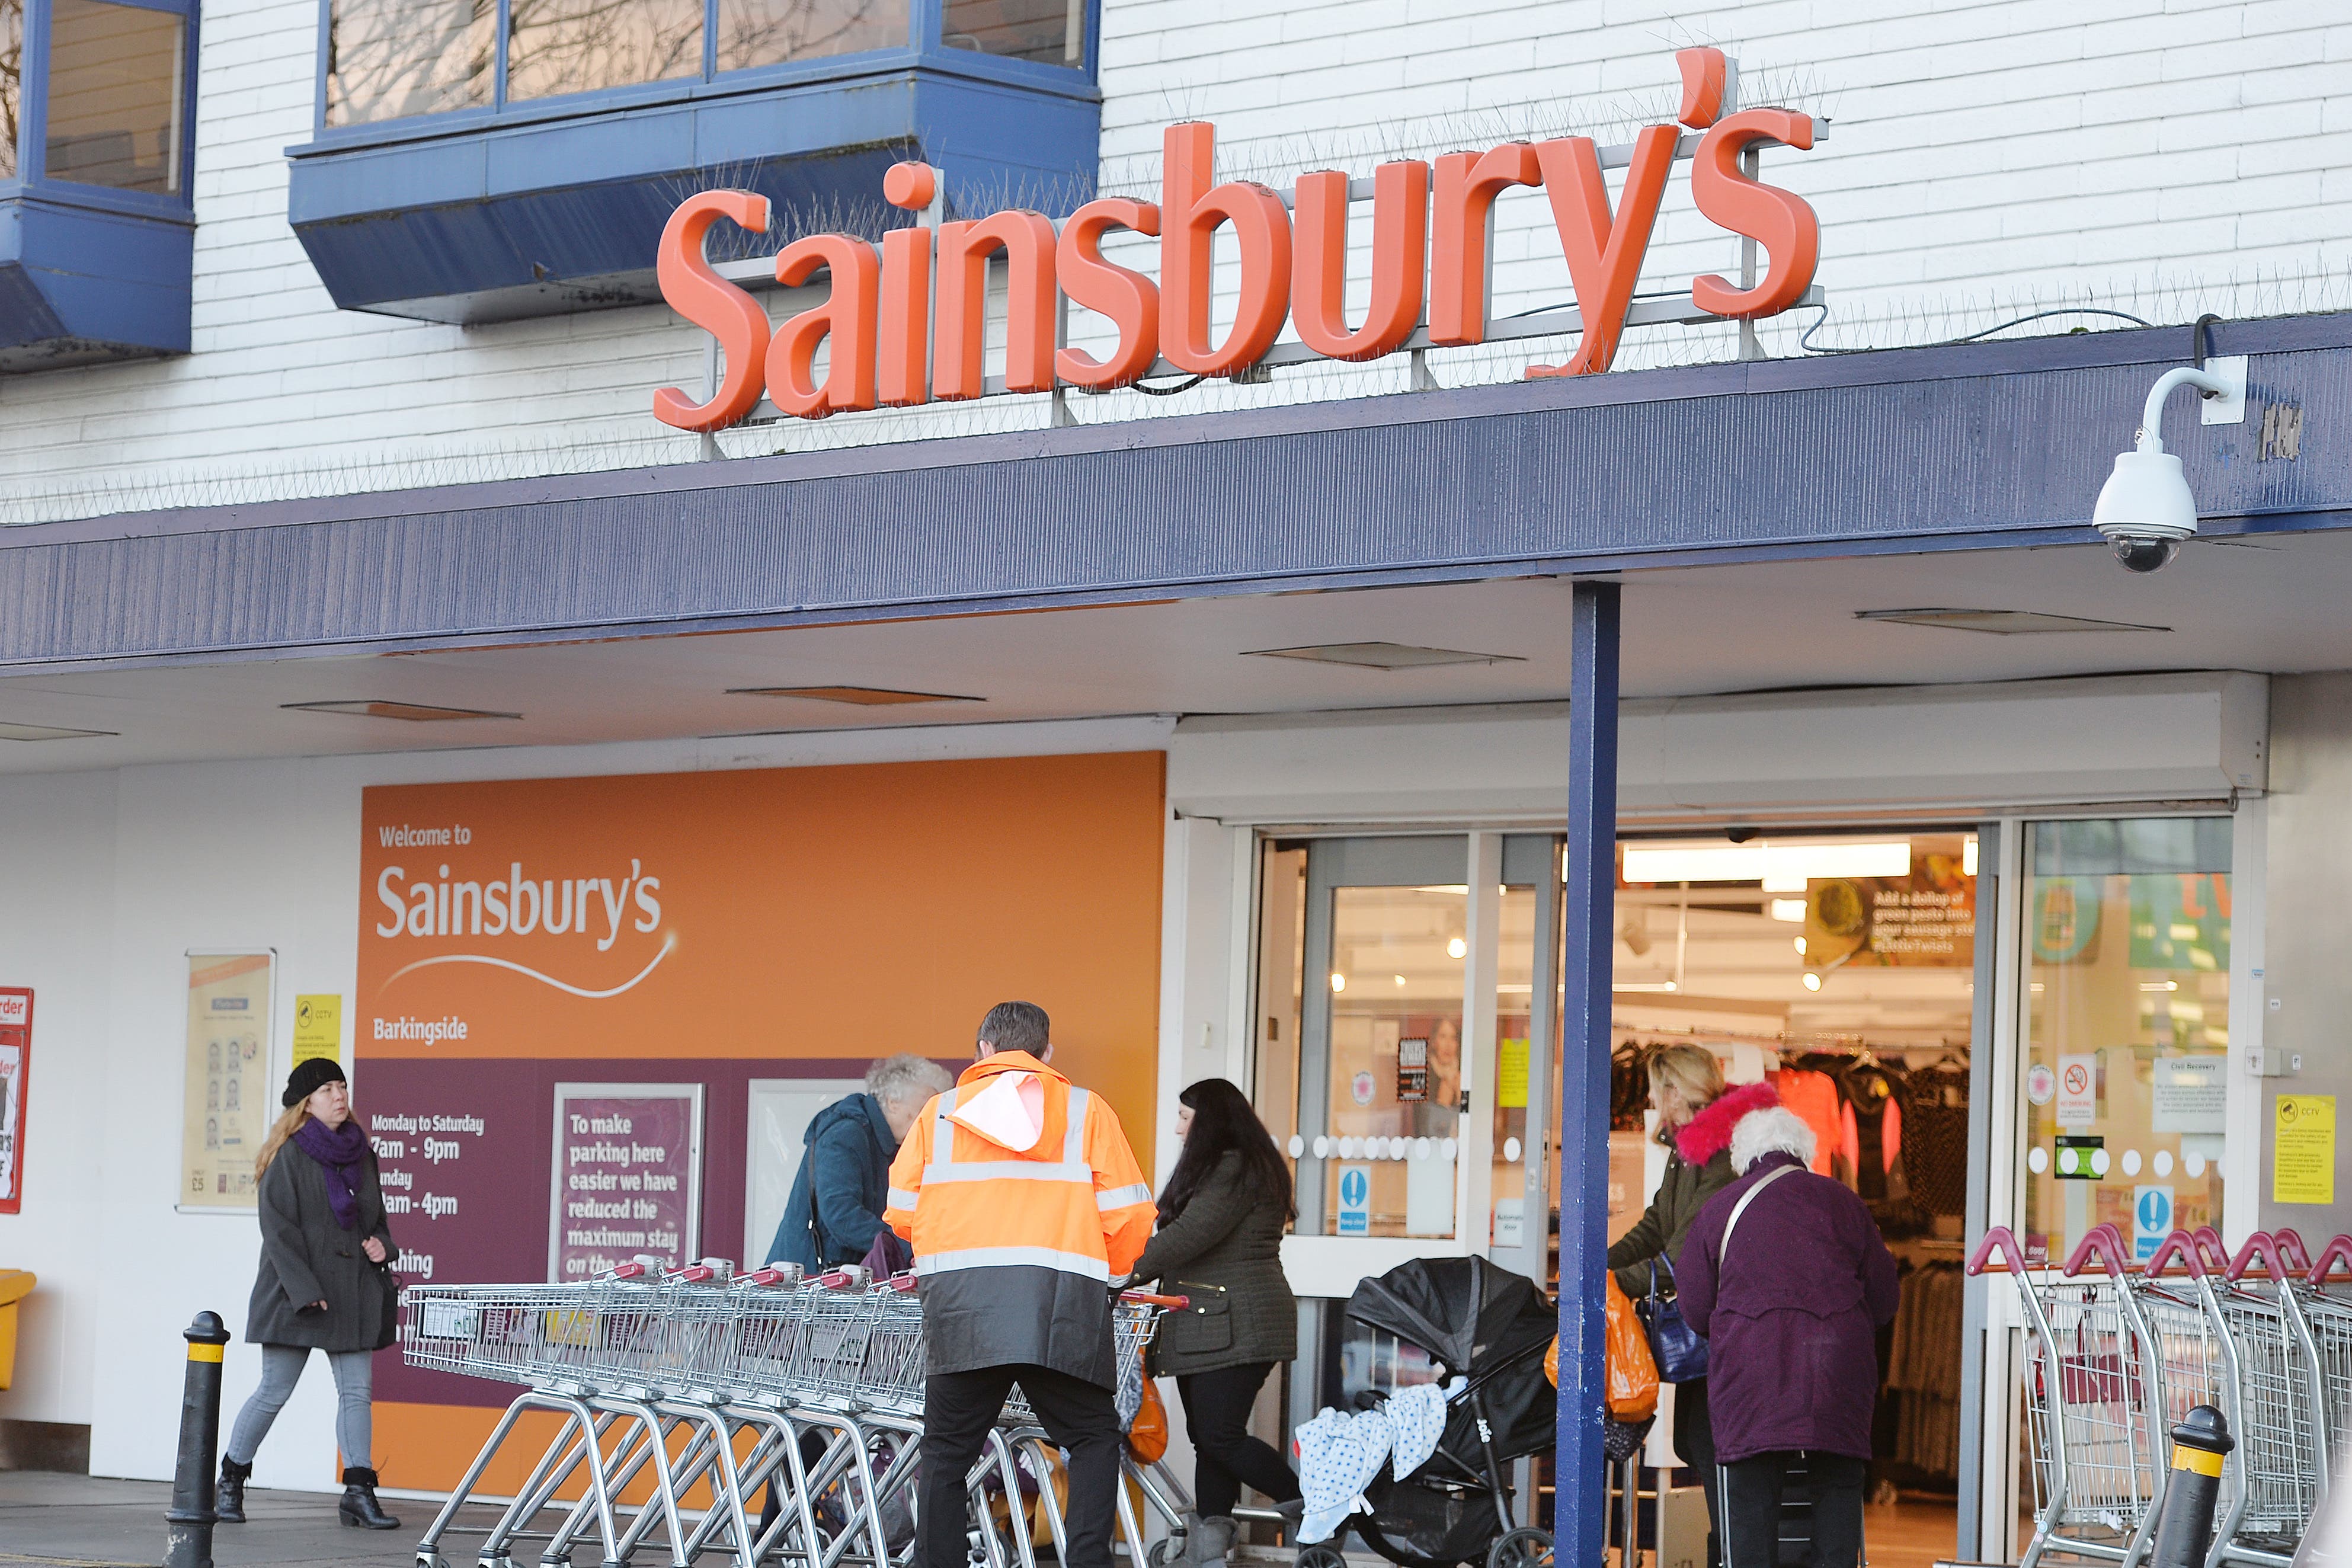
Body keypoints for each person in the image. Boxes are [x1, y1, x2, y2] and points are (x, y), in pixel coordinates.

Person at [885, 1001, 1156, 1568]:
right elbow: (1130, 1216)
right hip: (1060, 1306)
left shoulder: (939, 1115)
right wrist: (1104, 1277)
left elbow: (902, 1213)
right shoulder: (1086, 1111)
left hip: (964, 1308)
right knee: (1091, 1438)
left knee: (945, 1452)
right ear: (1047, 1054)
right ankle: (1086, 1560)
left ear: (982, 1049)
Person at [1673, 1102, 1900, 1568]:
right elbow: (1884, 1300)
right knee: (1836, 1489)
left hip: (1751, 1376)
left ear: (1744, 1156)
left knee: (1751, 1499)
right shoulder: (1845, 1204)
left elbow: (1694, 1306)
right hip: (1835, 1373)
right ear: (1804, 1152)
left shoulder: (1721, 1208)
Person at [1604, 1045, 1776, 1568]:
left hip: (1727, 1331)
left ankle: (1730, 1555)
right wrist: (1603, 1265)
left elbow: (1686, 1248)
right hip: (1709, 1327)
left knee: (1714, 1448)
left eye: (1658, 1092)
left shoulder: (1721, 1152)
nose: (1654, 1102)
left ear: (1676, 1091)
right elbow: (1659, 1221)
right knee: (1702, 1445)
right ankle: (1724, 1551)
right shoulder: (1691, 1149)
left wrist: (1615, 1281)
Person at [216, 1058, 402, 1531]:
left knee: (357, 1392)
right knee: (274, 1391)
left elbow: (375, 1219)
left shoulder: (362, 1153)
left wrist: (384, 1245)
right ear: (305, 1104)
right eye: (327, 1090)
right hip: (295, 1294)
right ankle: (230, 1480)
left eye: (342, 1086)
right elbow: (278, 1233)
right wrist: (305, 1290)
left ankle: (359, 1492)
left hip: (353, 1290)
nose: (340, 1096)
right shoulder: (289, 1154)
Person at [1128, 1079, 1303, 1566]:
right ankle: (1208, 1551)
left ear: (1209, 1121)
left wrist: (1122, 1270)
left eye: (1185, 1117)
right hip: (1210, 1323)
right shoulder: (1239, 1166)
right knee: (1209, 1440)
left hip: (1235, 1322)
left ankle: (1313, 1504)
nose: (1178, 1128)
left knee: (1218, 1435)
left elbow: (1190, 1236)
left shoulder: (1233, 1168)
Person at [766, 1053, 954, 1271]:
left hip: (834, 1281)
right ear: (893, 1102)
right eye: (926, 1106)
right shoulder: (846, 1134)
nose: (931, 1118)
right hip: (808, 1285)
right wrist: (912, 1247)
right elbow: (843, 1217)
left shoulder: (886, 1142)